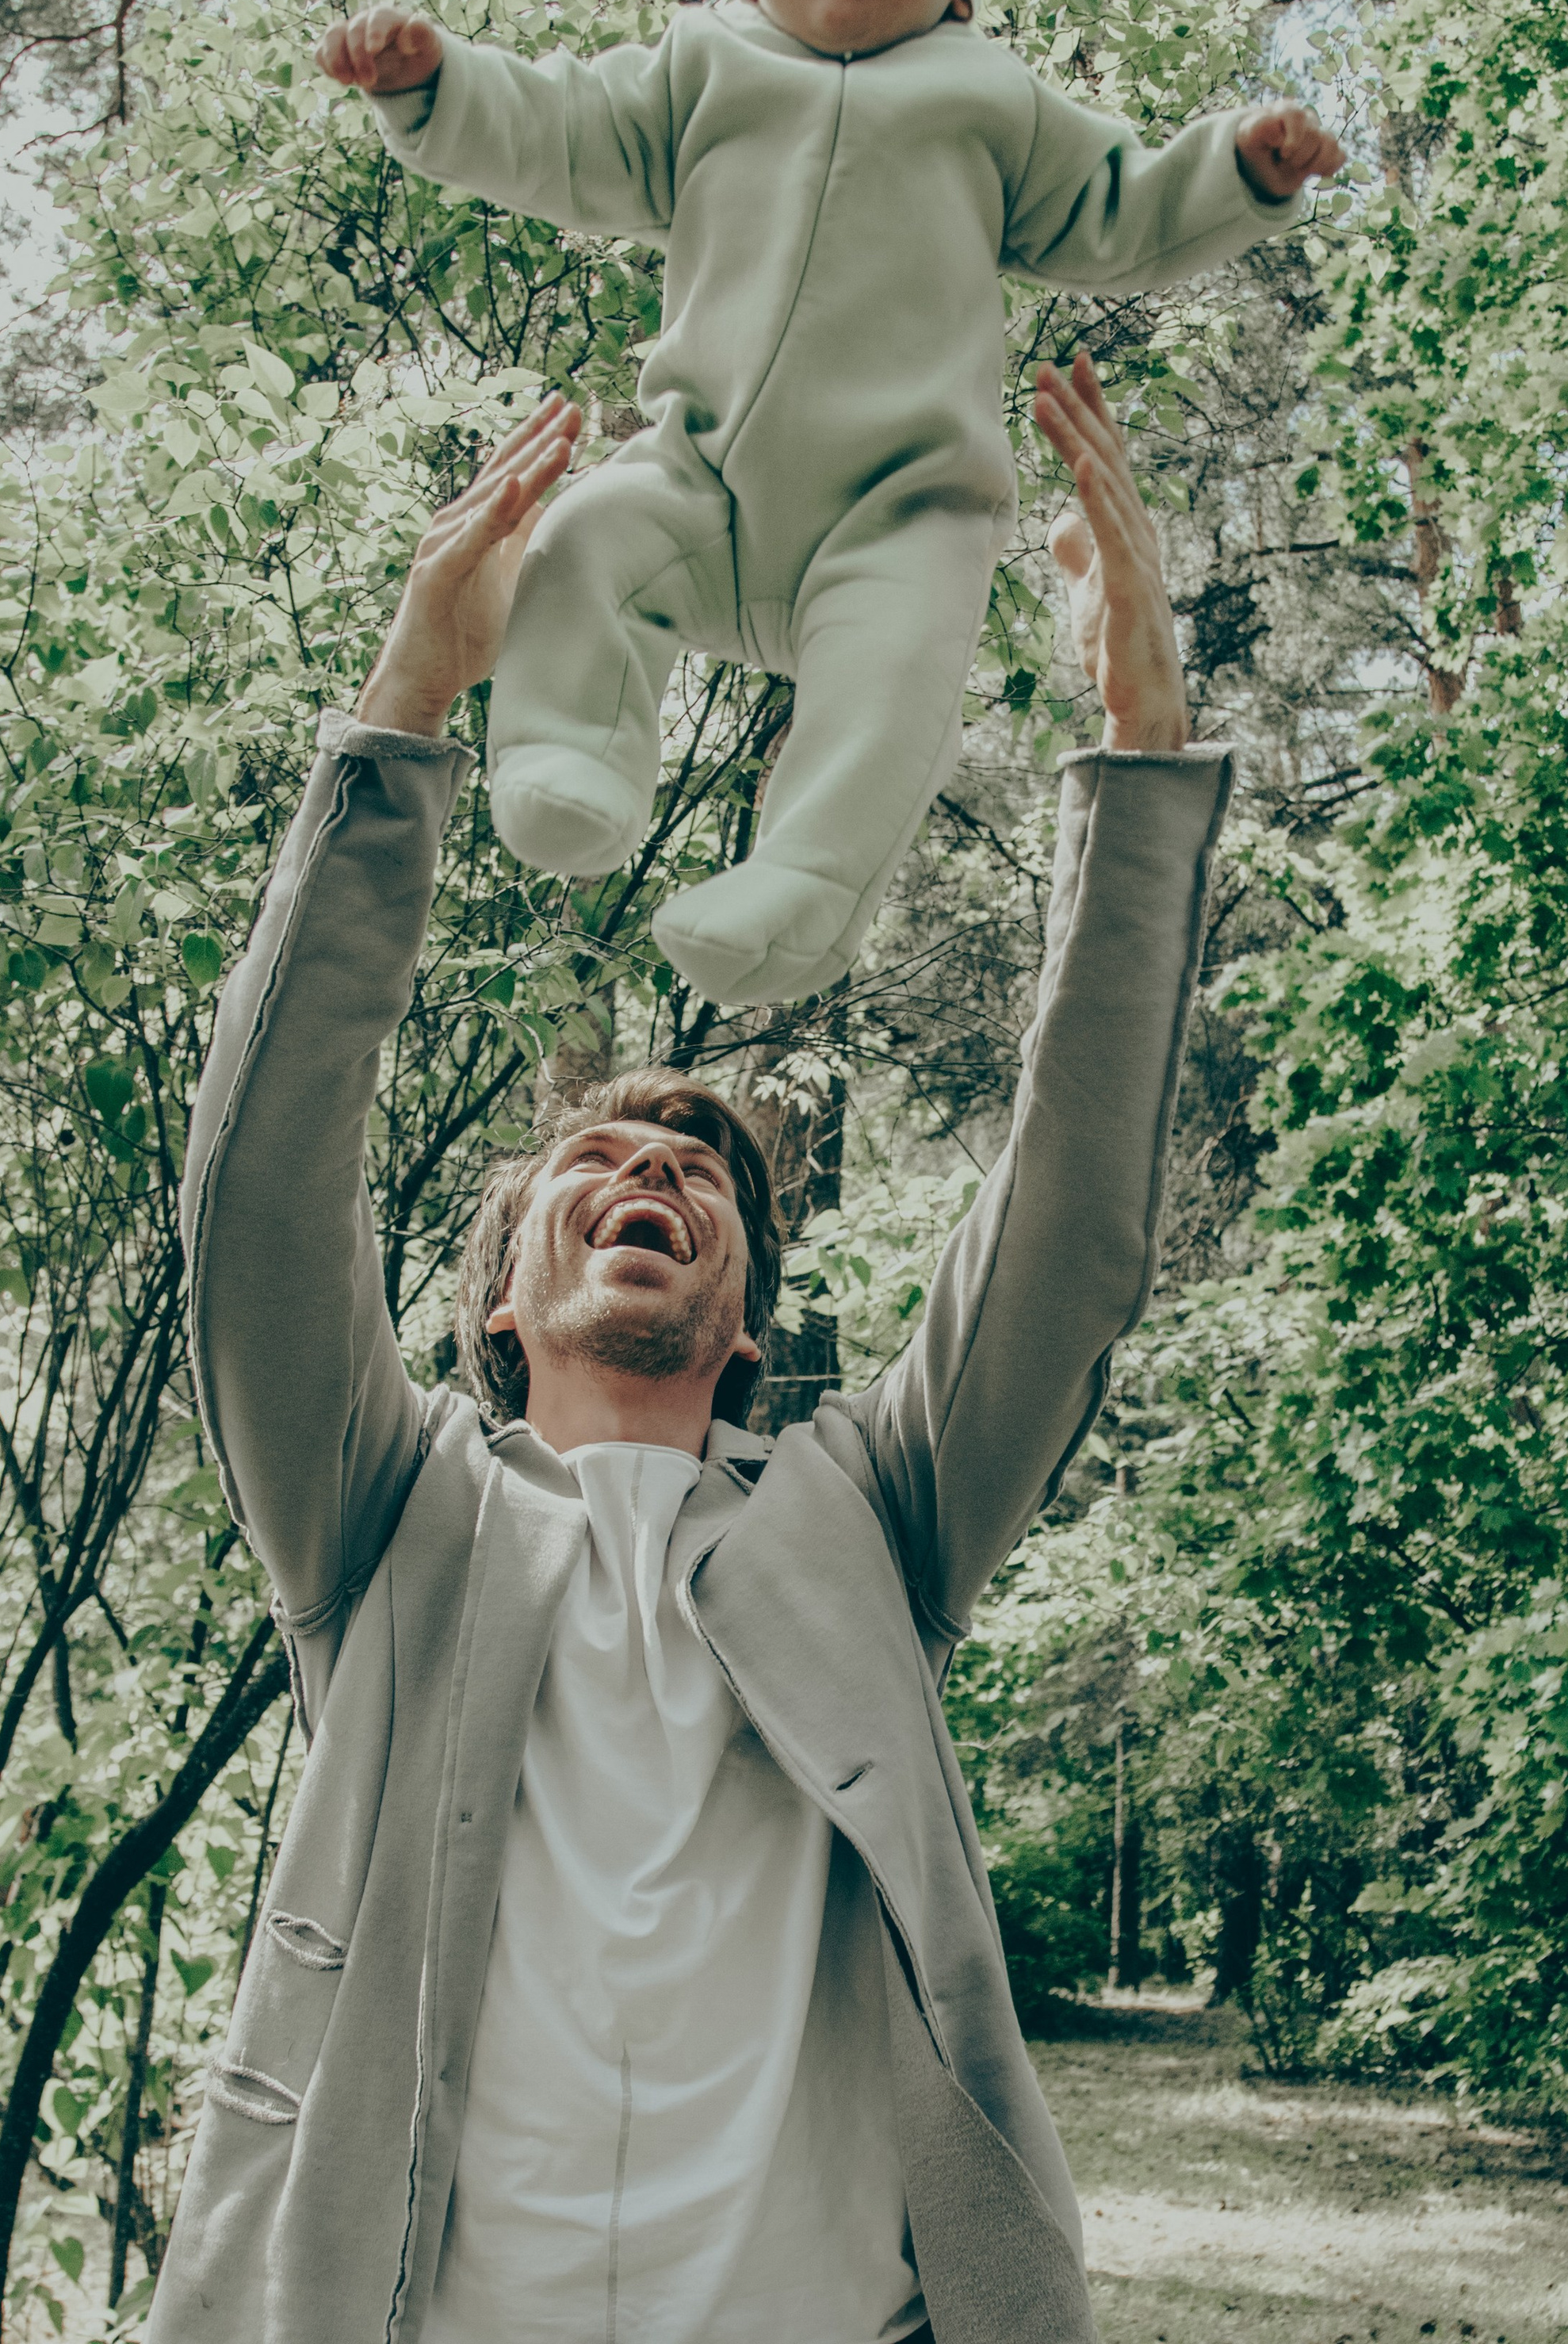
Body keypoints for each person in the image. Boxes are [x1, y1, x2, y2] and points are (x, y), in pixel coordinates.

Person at [146, 350, 1230, 2344]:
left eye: (692, 1175)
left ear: (741, 1314)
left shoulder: (867, 1509)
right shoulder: (388, 1512)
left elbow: (1069, 1231)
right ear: (494, 1298)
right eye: (596, 1161)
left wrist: (1139, 750)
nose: (645, 1174)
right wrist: (404, 711)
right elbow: (256, 1200)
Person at [317, 0, 1339, 1010]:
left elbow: (1119, 206)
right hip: (697, 478)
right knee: (584, 542)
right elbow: (561, 129)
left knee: (891, 691)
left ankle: (802, 884)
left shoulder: (991, 100)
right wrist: (436, 86)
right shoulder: (699, 69)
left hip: (898, 513)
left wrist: (1238, 172)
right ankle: (567, 754)